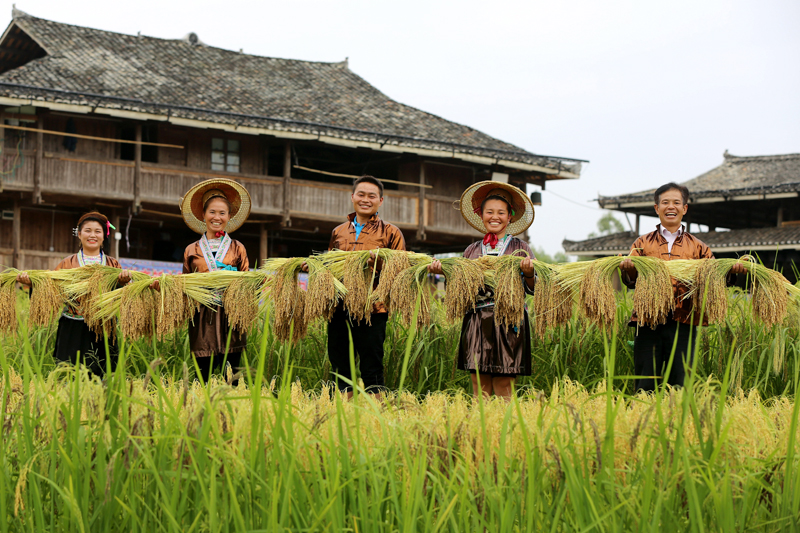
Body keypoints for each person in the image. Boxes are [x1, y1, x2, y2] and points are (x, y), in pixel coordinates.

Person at [620, 182, 745, 392]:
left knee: (680, 381)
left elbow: (713, 278)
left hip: (684, 320)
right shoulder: (641, 244)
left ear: (684, 208)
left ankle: (678, 419)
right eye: (665, 202)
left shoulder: (698, 247)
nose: (671, 207)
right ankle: (641, 418)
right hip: (647, 319)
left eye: (676, 202)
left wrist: (731, 271)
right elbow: (630, 281)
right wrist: (628, 268)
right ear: (656, 208)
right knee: (645, 380)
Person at [428, 181, 536, 399]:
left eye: (501, 213)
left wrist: (528, 273)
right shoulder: (472, 250)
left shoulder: (521, 248)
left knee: (505, 382)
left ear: (510, 217)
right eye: (489, 212)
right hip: (477, 318)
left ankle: (507, 428)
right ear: (481, 215)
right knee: (479, 383)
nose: (494, 217)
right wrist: (444, 272)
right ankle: (480, 429)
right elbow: (460, 290)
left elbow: (533, 288)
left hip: (509, 320)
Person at [16, 211, 131, 377]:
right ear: (79, 234)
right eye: (88, 230)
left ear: (104, 235)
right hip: (72, 329)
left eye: (97, 231)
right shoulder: (66, 264)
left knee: (102, 378)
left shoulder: (113, 265)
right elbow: (51, 290)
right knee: (69, 375)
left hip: (104, 329)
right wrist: (31, 282)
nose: (92, 235)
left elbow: (120, 297)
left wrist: (122, 282)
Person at [325, 175, 406, 398]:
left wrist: (377, 265)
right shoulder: (338, 232)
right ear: (352, 197)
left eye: (372, 196)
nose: (365, 199)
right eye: (361, 194)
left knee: (372, 364)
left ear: (381, 200)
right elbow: (330, 266)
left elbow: (400, 271)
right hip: (339, 306)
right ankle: (343, 414)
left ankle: (375, 417)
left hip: (373, 307)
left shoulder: (391, 232)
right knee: (340, 364)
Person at [178, 178, 251, 384]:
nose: (216, 217)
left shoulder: (238, 248)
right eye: (212, 212)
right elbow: (185, 284)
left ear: (229, 216)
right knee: (203, 379)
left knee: (232, 380)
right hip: (202, 319)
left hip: (231, 319)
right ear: (203, 215)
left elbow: (246, 283)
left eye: (222, 213)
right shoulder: (191, 250)